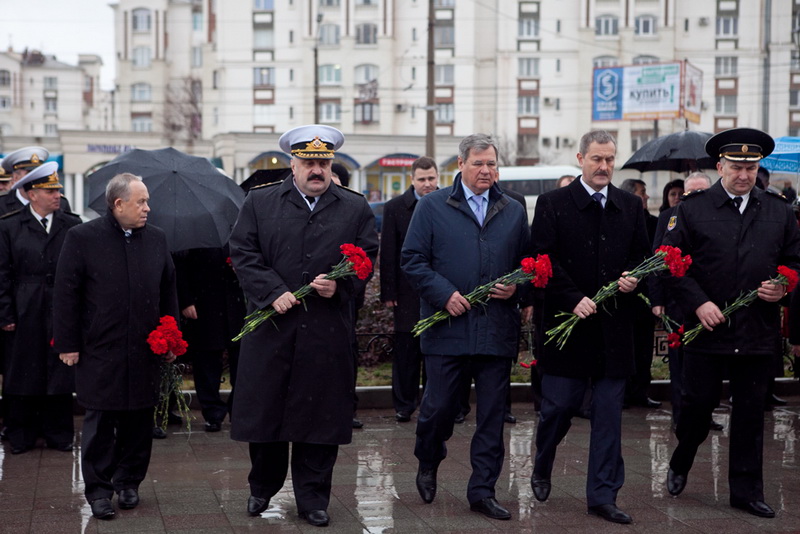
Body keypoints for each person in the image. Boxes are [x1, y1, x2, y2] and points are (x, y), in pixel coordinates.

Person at [228, 125, 378, 527]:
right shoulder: (260, 203)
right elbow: (242, 252)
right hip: (273, 328)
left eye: (324, 162)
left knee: (321, 419)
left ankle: (314, 497)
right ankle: (262, 487)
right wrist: (271, 290)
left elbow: (367, 259)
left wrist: (341, 285)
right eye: (309, 162)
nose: (317, 169)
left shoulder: (354, 207)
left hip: (326, 331)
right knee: (267, 415)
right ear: (292, 164)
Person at [663, 128, 800, 519]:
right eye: (737, 166)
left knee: (751, 413)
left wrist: (784, 285)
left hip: (757, 329)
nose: (744, 174)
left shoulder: (777, 210)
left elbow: (794, 260)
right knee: (696, 407)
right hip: (708, 328)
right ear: (720, 166)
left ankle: (746, 491)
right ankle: (683, 455)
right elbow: (670, 266)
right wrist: (699, 303)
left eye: (751, 167)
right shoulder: (693, 209)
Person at [401, 133, 529, 521]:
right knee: (437, 410)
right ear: (460, 165)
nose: (486, 171)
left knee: (491, 417)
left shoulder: (513, 208)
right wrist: (444, 294)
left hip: (495, 330)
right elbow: (412, 259)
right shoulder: (432, 206)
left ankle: (483, 491)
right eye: (478, 164)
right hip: (447, 329)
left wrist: (516, 287)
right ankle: (428, 459)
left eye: (492, 164)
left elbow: (527, 263)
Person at [529, 130, 650, 525]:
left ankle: (602, 495)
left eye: (610, 159)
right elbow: (541, 259)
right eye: (597, 158)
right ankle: (542, 462)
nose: (603, 167)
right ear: (580, 158)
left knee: (608, 416)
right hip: (568, 327)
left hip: (614, 332)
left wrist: (635, 278)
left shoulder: (629, 206)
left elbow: (641, 257)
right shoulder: (552, 204)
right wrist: (571, 297)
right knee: (559, 408)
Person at [53, 173, 179, 520]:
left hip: (144, 349)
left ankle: (129, 483)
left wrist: (171, 337)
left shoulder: (156, 239)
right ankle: (98, 491)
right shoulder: (82, 238)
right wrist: (68, 342)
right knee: (100, 422)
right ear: (118, 204)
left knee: (139, 420)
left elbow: (169, 290)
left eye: (148, 201)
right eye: (141, 202)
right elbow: (66, 294)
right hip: (99, 349)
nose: (148, 209)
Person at [0, 162, 81, 454]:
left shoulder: (71, 225)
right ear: (32, 194)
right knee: (22, 371)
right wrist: (6, 313)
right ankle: (21, 433)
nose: (57, 194)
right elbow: (2, 274)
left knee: (59, 369)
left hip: (60, 307)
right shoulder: (9, 226)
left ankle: (59, 433)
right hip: (24, 309)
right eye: (50, 190)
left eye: (58, 189)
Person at [649, 172, 718, 431]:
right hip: (679, 301)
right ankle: (681, 415)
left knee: (709, 364)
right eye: (691, 193)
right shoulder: (670, 217)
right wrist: (657, 299)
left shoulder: (719, 216)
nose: (696, 198)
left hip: (711, 302)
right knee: (680, 362)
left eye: (702, 192)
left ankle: (705, 413)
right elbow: (659, 258)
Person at [380, 156, 438, 423]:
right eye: (422, 179)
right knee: (406, 351)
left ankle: (437, 402)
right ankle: (404, 405)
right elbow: (389, 251)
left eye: (431, 178)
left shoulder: (447, 202)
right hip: (405, 291)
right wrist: (389, 292)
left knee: (438, 350)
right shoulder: (395, 208)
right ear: (412, 180)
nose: (427, 184)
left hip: (439, 289)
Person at [173, 247, 245, 432]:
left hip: (238, 303)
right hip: (204, 302)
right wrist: (186, 300)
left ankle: (239, 412)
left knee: (243, 360)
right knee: (206, 359)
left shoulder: (239, 223)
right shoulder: (194, 227)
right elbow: (179, 266)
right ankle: (212, 413)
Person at [618, 178, 661, 409]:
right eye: (642, 192)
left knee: (644, 348)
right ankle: (623, 393)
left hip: (645, 294)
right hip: (624, 295)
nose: (646, 197)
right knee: (626, 347)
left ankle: (641, 391)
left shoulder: (653, 223)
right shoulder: (620, 220)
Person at [0, 146, 71, 215]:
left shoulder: (60, 202)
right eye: (29, 173)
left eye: (39, 173)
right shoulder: (2, 204)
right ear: (15, 177)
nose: (35, 177)